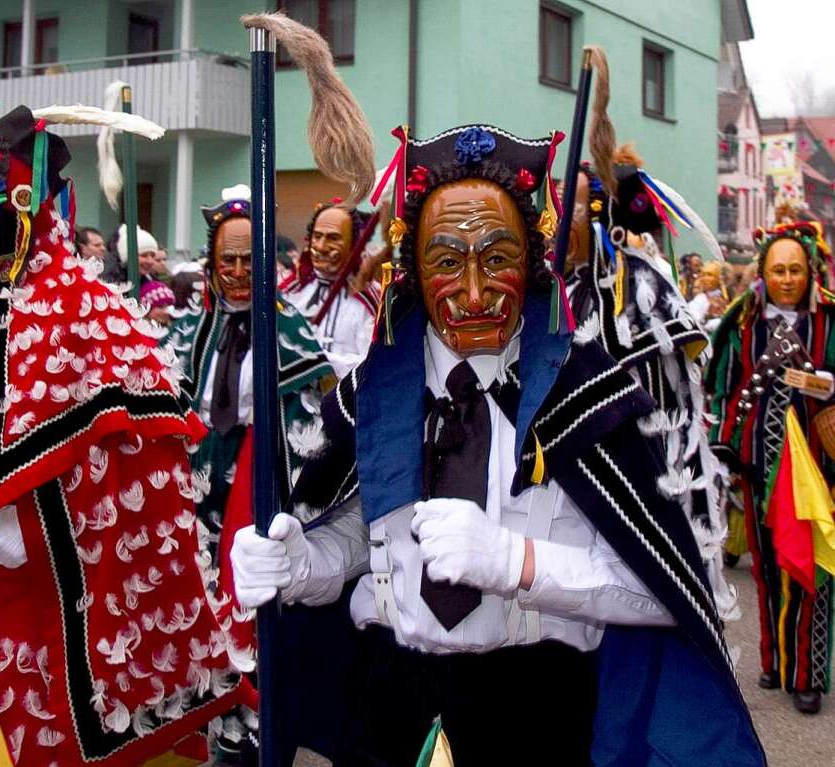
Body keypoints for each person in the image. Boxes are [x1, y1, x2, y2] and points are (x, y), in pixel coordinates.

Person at [230, 112, 763, 767]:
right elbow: (367, 535)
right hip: (387, 702)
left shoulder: (588, 395)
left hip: (536, 705)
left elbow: (660, 589)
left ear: (533, 262)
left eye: (499, 257)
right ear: (412, 270)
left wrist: (518, 563)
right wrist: (304, 567)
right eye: (447, 260)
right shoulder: (373, 392)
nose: (475, 290)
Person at [0, 106, 251, 766]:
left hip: (47, 591)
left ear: (1, 198)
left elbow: (139, 449)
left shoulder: (80, 303)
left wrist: (32, 520)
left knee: (37, 739)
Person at [565, 48, 736, 622]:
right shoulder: (545, 293)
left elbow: (676, 409)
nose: (556, 227)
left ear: (598, 219)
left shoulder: (640, 287)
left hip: (643, 483)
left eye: (570, 214)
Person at [164, 185, 333, 763]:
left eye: (248, 260)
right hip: (190, 508)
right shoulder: (184, 333)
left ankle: (253, 735)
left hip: (253, 503)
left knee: (252, 626)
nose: (237, 271)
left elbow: (311, 434)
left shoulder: (292, 332)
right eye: (226, 259)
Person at [707, 219, 835, 715]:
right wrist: (725, 444)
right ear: (764, 272)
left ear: (811, 271)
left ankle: (807, 674)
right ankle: (775, 661)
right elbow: (725, 383)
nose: (786, 279)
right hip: (757, 463)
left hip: (815, 471)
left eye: (795, 270)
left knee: (810, 570)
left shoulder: (829, 321)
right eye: (778, 270)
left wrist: (825, 383)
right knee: (766, 570)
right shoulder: (745, 321)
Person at [281, 201, 378, 378]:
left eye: (333, 238)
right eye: (317, 236)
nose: (320, 247)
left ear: (354, 245)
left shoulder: (370, 300)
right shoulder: (291, 291)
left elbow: (372, 366)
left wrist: (322, 362)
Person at [115, 223, 163, 287]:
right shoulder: (112, 286)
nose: (150, 261)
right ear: (127, 257)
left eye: (153, 255)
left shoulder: (154, 283)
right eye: (144, 255)